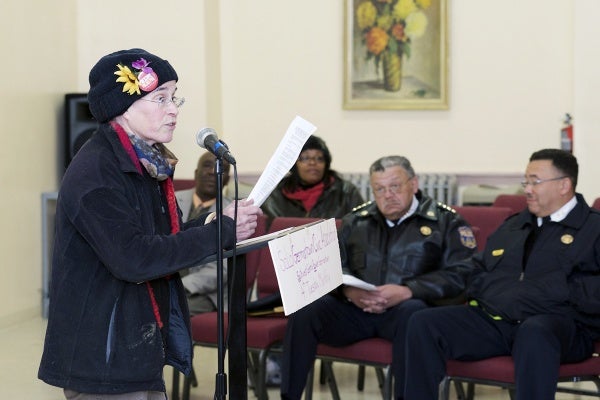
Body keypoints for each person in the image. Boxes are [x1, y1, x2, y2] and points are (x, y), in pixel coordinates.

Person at [37, 48, 262, 399]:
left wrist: (212, 222)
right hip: (103, 356)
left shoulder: (141, 161)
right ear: (121, 109)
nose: (173, 109)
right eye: (160, 98)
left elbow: (159, 240)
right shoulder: (97, 172)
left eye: (174, 97)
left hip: (135, 346)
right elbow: (135, 258)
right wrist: (218, 234)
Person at [405, 149, 600, 400]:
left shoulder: (593, 228)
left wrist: (548, 294)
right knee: (423, 322)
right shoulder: (514, 225)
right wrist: (499, 293)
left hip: (561, 326)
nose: (527, 189)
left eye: (535, 182)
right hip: (499, 321)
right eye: (526, 181)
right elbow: (478, 269)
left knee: (535, 331)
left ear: (564, 185)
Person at [280, 155, 478, 400]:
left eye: (395, 186)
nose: (388, 195)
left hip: (406, 312)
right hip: (356, 310)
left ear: (414, 184)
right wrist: (349, 291)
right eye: (380, 189)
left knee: (414, 314)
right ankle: (289, 396)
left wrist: (409, 290)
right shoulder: (357, 220)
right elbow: (333, 265)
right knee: (306, 311)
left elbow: (464, 273)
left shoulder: (446, 222)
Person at [176, 151, 232, 315]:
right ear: (196, 173)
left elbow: (222, 270)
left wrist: (180, 285)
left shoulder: (232, 214)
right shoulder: (172, 199)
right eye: (207, 166)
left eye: (220, 168)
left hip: (206, 293)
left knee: (173, 311)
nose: (211, 172)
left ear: (227, 179)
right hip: (165, 280)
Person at [261, 135, 364, 220]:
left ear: (326, 164)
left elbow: (359, 230)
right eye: (305, 158)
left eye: (319, 158)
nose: (312, 163)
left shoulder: (346, 193)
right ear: (294, 164)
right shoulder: (275, 195)